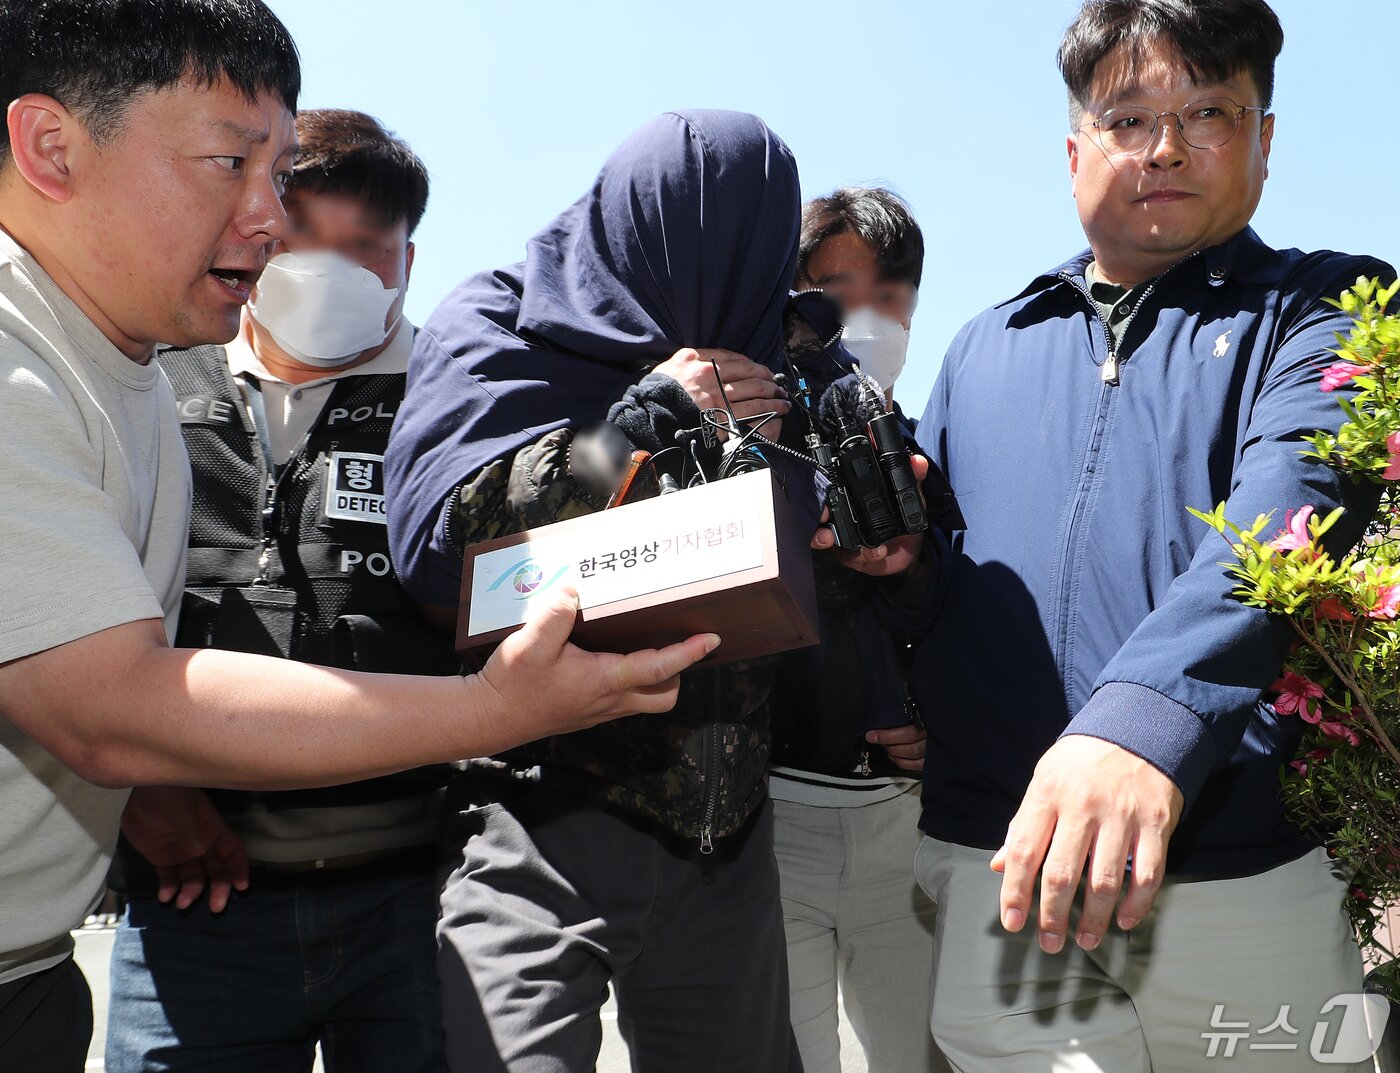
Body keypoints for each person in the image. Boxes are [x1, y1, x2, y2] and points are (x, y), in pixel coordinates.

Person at [0, 5, 712, 1069]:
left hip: (320, 907)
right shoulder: (58, 370)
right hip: (194, 911)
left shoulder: (142, 364)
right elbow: (106, 704)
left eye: (275, 170)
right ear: (52, 148)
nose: (268, 222)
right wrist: (493, 708)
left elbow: (493, 555)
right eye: (230, 163)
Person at [814, 1, 1395, 1069]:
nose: (1164, 145)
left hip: (1233, 882)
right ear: (1074, 147)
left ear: (1264, 138)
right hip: (998, 877)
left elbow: (1288, 512)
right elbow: (948, 592)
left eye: (1209, 110)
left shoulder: (1324, 309)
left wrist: (1138, 725)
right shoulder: (986, 345)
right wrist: (898, 572)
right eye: (1127, 116)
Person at [383, 109, 809, 1073]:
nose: (713, 289)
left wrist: (880, 534)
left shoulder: (781, 349)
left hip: (725, 836)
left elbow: (825, 571)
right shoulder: (501, 320)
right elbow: (441, 552)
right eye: (682, 245)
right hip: (534, 808)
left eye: (742, 257)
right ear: (631, 225)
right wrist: (634, 426)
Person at [104, 108, 456, 1072]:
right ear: (257, 227)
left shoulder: (456, 404)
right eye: (304, 237)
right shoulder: (147, 375)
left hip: (415, 907)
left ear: (407, 263)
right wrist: (142, 797)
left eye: (365, 247)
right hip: (191, 897)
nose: (329, 270)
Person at [770, 187, 950, 1073]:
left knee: (919, 1055)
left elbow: (972, 619)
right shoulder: (747, 441)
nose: (868, 319)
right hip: (771, 825)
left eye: (892, 298)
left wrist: (936, 718)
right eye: (841, 294)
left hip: (905, 832)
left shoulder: (931, 448)